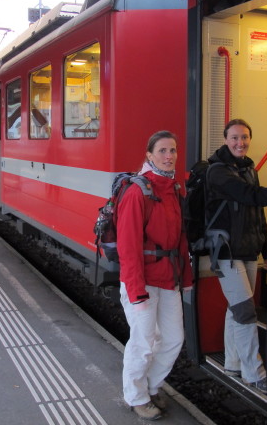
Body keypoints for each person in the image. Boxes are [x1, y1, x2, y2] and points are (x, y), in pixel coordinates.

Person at [116, 130, 193, 421]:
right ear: (149, 155)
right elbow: (129, 246)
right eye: (162, 151)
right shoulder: (139, 191)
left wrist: (185, 278)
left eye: (173, 150)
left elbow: (180, 239)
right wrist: (136, 290)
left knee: (173, 339)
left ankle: (150, 386)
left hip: (168, 278)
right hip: (143, 282)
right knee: (143, 343)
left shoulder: (173, 189)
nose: (169, 156)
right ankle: (136, 397)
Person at [205, 118, 267, 394]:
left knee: (238, 308)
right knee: (245, 310)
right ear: (225, 140)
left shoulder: (248, 169)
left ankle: (233, 362)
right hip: (227, 253)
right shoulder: (217, 172)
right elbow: (250, 197)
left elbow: (258, 216)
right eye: (234, 138)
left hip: (246, 250)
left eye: (244, 137)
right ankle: (253, 373)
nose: (240, 143)